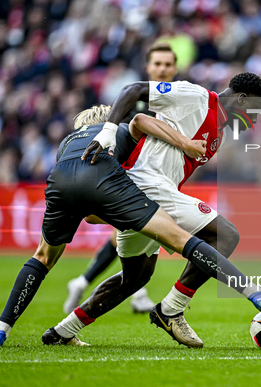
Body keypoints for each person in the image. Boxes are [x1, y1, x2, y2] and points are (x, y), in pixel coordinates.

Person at [0, 104, 261, 348]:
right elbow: (141, 122)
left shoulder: (67, 142)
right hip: (117, 189)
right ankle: (255, 295)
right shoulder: (113, 129)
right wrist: (185, 144)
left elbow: (88, 213)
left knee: (45, 258)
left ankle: (0, 331)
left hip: (60, 184)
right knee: (184, 237)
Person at [45, 73, 261, 348]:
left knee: (135, 278)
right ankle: (172, 308)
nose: (255, 120)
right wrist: (108, 132)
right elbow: (133, 90)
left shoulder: (219, 132)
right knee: (225, 235)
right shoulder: (195, 97)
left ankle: (62, 331)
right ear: (241, 98)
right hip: (148, 183)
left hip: (150, 193)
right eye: (255, 111)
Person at [63, 42, 179, 315]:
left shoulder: (179, 100)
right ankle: (135, 292)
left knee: (129, 233)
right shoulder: (132, 99)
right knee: (139, 227)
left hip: (157, 174)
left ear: (175, 68)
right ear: (148, 67)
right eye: (157, 64)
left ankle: (84, 282)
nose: (162, 69)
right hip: (126, 171)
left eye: (167, 64)